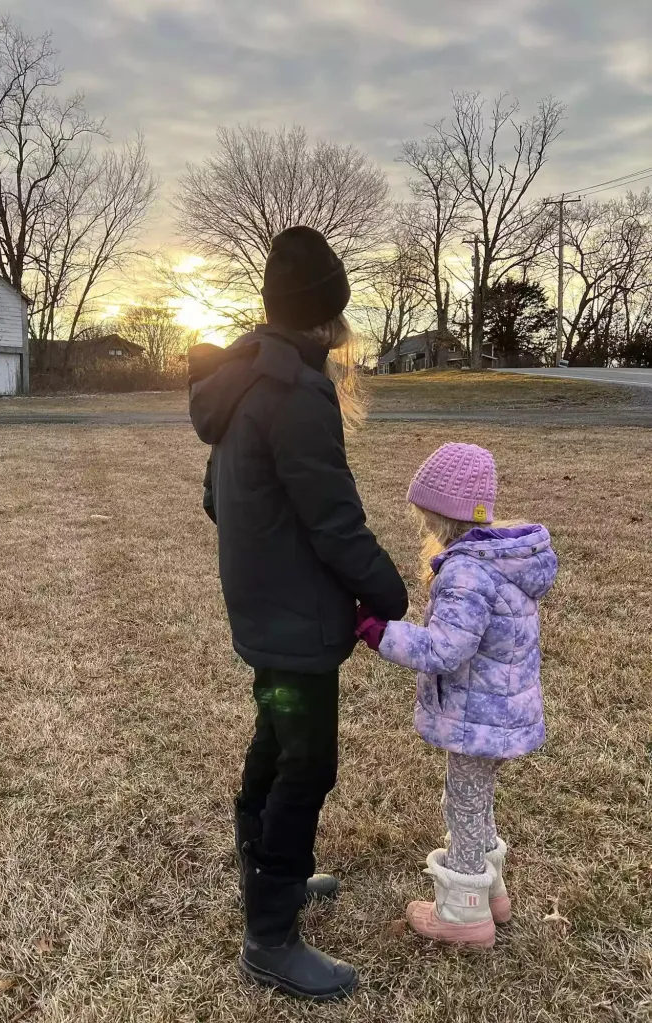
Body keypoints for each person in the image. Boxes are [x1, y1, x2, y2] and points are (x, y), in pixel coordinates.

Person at [188, 226, 408, 1000]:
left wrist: (263, 558)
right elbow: (334, 521)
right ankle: (270, 935)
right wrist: (390, 595)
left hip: (261, 609)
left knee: (276, 732)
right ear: (325, 318)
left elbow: (218, 498)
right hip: (298, 619)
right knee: (306, 762)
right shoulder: (295, 388)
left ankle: (261, 869)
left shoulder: (241, 375)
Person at [357, 443, 558, 947]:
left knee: (463, 805)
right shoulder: (500, 561)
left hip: (477, 717)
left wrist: (381, 633)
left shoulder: (466, 573)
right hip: (499, 712)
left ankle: (463, 915)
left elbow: (445, 650)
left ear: (439, 512)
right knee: (475, 800)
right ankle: (493, 895)